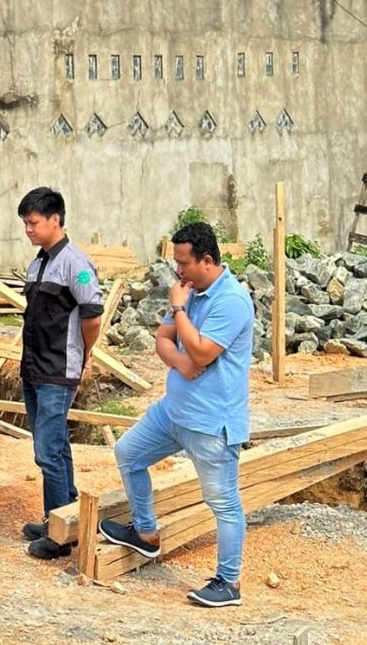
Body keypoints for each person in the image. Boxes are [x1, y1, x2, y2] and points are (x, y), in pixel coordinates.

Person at [100, 222, 254, 607]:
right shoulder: (192, 291)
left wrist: (179, 309)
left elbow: (202, 351)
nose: (178, 271)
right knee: (128, 453)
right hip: (173, 412)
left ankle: (229, 583)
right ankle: (146, 534)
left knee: (223, 502)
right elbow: (163, 340)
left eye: (184, 263)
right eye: (176, 263)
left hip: (211, 423)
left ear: (207, 260)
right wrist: (182, 364)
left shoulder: (231, 300)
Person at [16, 187, 103, 560]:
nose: (28, 229)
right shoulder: (38, 263)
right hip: (33, 368)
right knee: (55, 447)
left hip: (58, 370)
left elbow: (92, 316)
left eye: (33, 223)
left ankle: (59, 537)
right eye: (25, 223)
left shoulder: (76, 264)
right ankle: (64, 519)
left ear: (55, 220)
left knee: (48, 451)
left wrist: (85, 353)